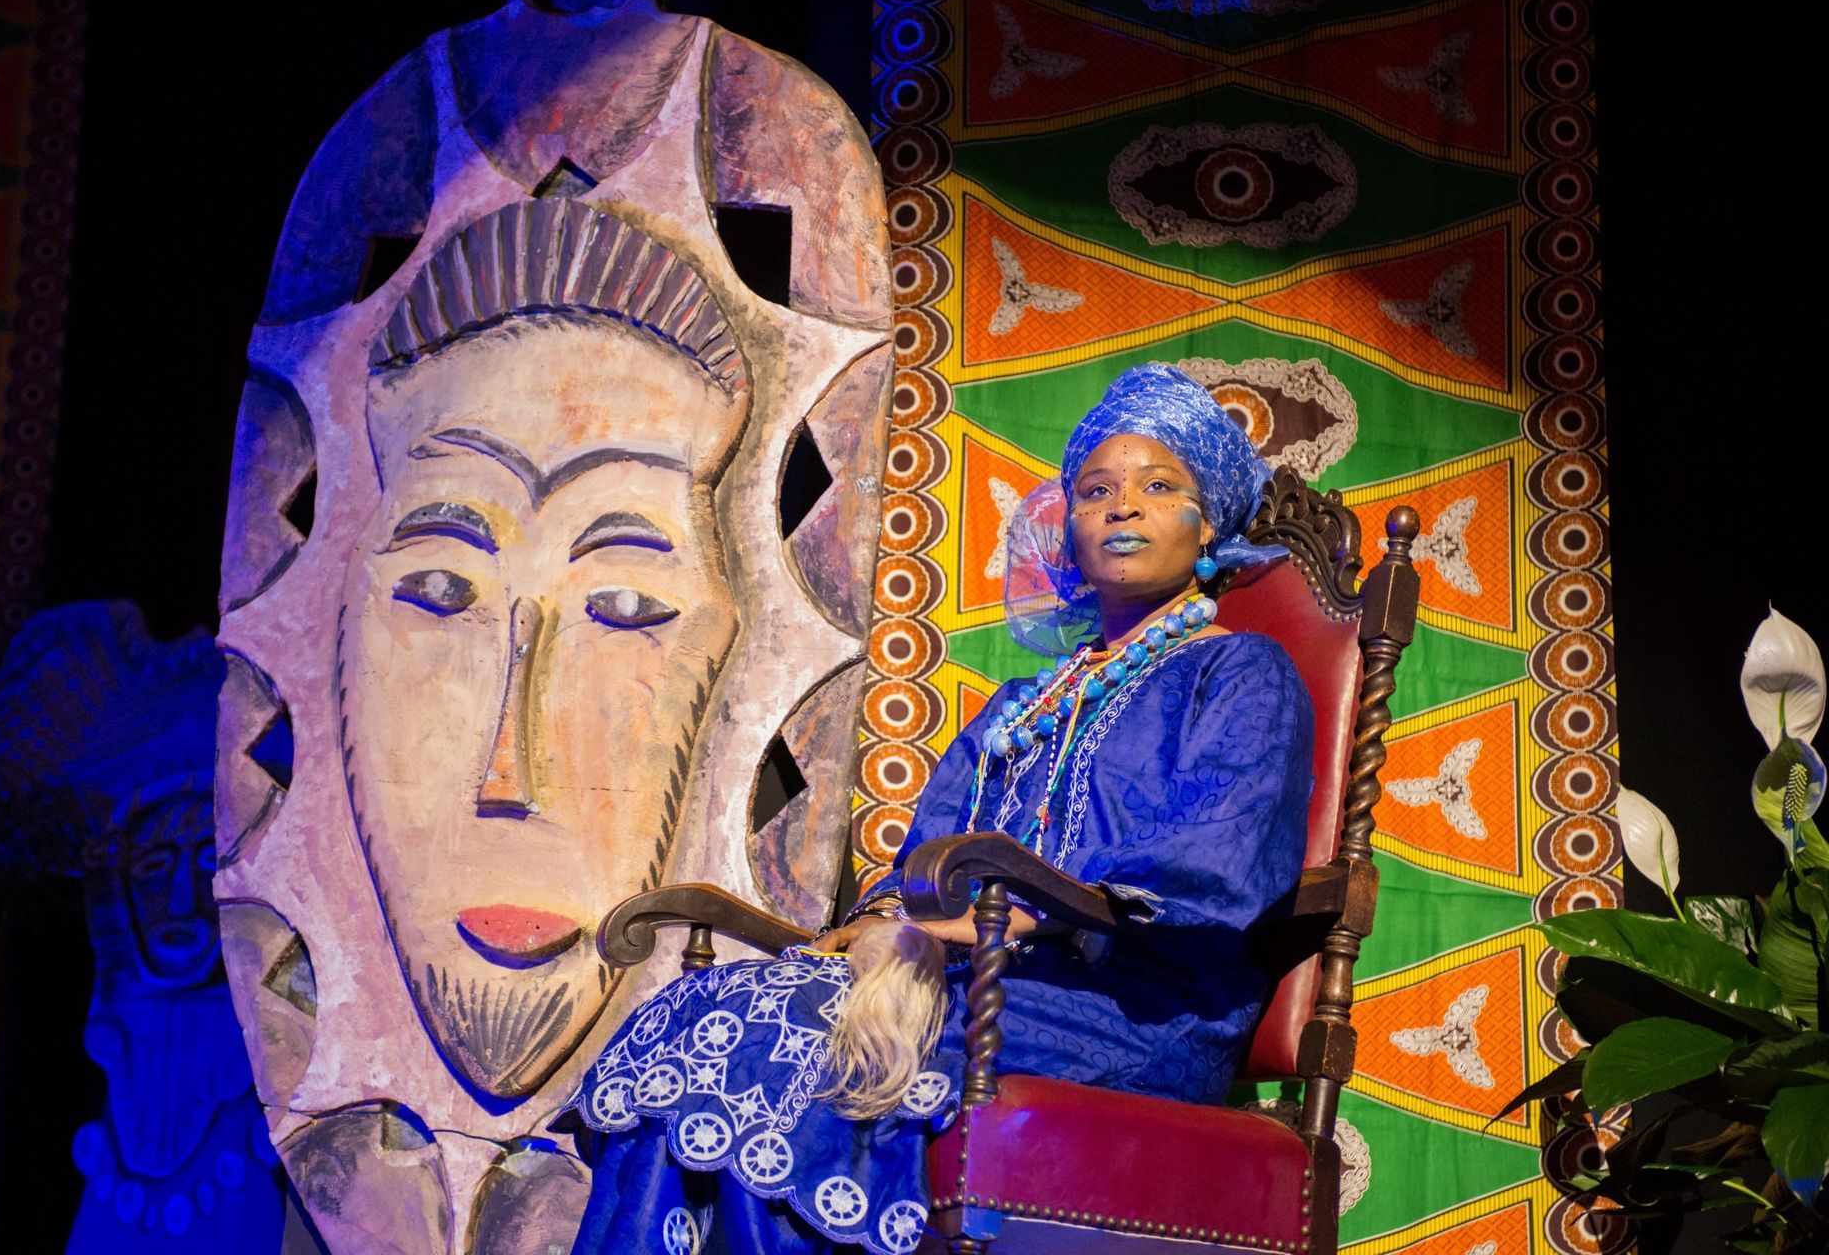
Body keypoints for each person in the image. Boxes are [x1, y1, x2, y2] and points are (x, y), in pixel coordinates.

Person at [561, 363, 1316, 1255]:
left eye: (1160, 488)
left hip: (1133, 1008)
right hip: (986, 983)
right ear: (1066, 530)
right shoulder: (1018, 707)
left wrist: (1016, 916)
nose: (1122, 508)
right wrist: (882, 923)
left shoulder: (1241, 675)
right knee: (712, 1013)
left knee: (786, 1038)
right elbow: (934, 848)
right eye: (1097, 491)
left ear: (1208, 528)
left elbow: (1217, 865)